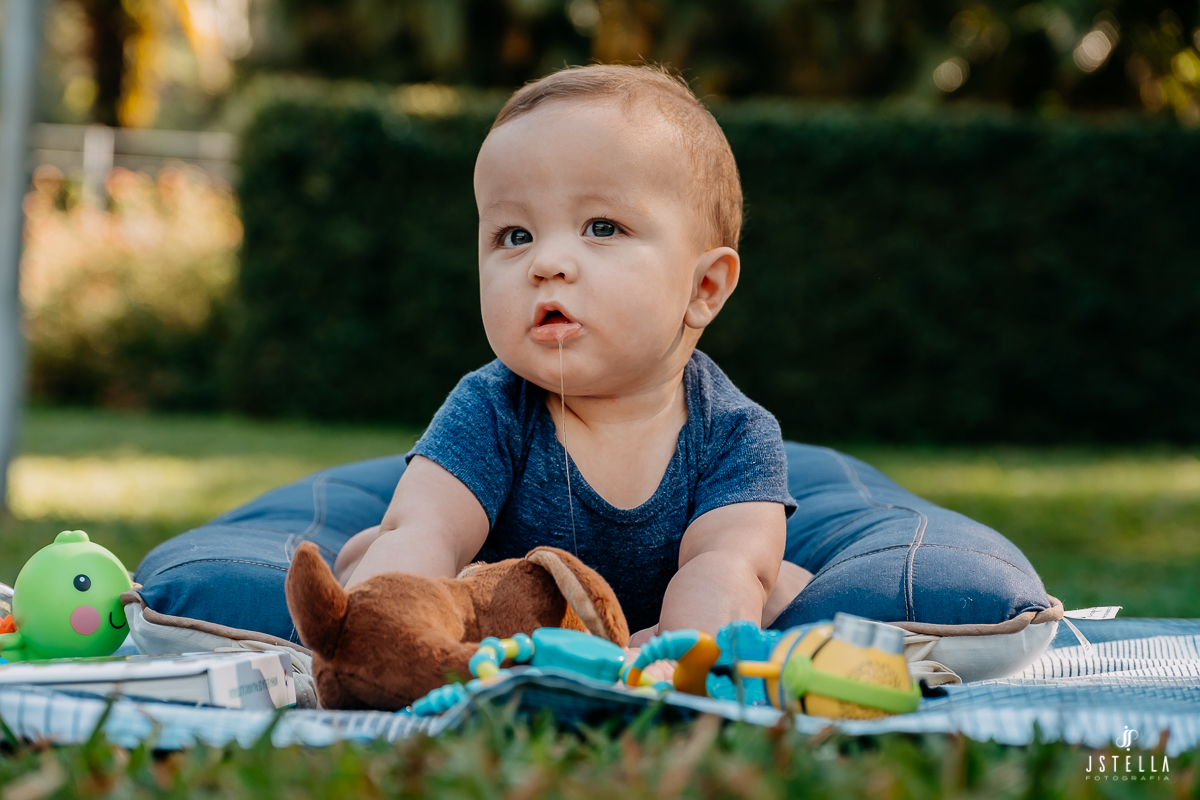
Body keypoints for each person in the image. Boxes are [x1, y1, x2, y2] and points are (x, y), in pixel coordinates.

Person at [333, 63, 813, 649]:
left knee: (773, 585)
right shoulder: (492, 409)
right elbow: (426, 529)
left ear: (703, 287)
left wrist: (679, 655)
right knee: (375, 550)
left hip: (655, 629)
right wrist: (386, 627)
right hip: (510, 622)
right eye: (515, 235)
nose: (546, 263)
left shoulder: (733, 435)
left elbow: (724, 568)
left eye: (602, 227)